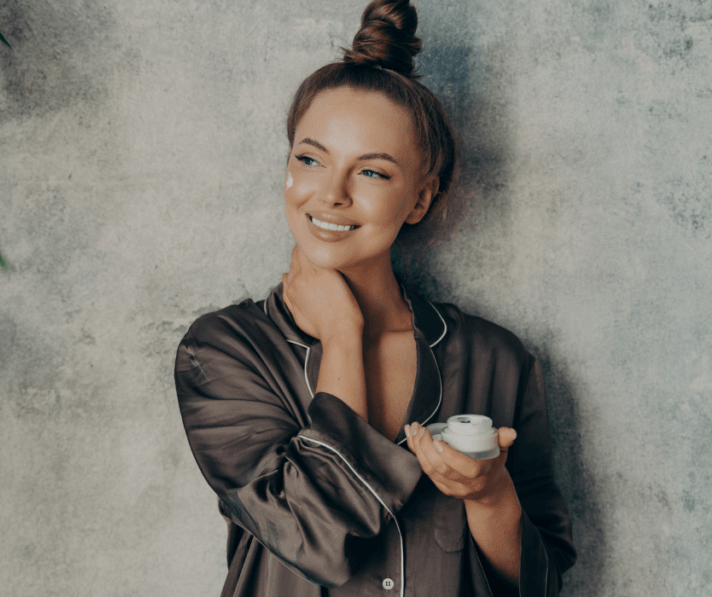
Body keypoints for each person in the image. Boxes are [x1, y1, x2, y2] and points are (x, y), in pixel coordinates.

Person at [173, 1, 577, 595]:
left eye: (373, 172)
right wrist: (342, 336)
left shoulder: (498, 361)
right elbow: (317, 536)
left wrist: (490, 495)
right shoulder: (223, 351)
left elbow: (540, 584)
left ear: (419, 200)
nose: (330, 193)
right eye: (311, 158)